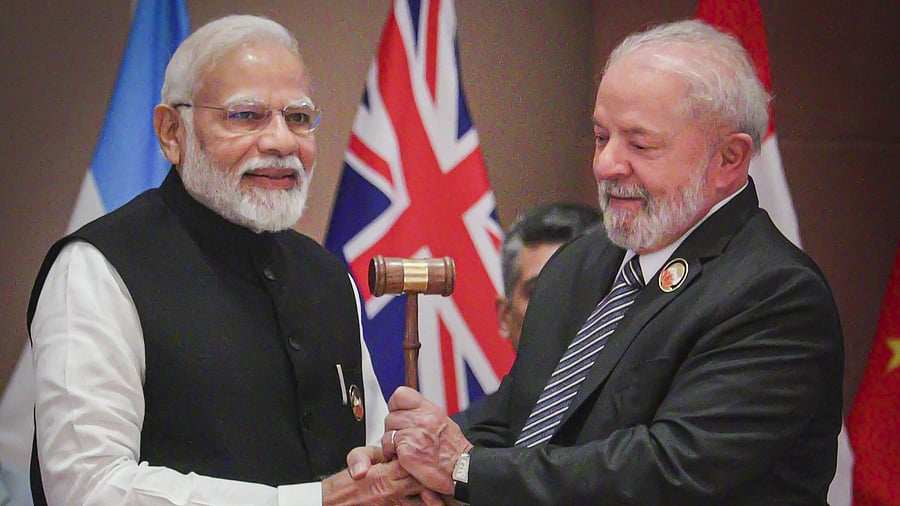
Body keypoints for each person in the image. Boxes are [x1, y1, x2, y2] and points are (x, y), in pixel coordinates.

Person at [369, 19, 845, 504]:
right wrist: (409, 457)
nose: (605, 165)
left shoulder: (776, 295)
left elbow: (668, 471)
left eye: (639, 144)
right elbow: (520, 412)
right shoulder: (583, 259)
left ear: (729, 159)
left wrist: (466, 469)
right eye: (601, 137)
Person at [28, 15, 435, 506]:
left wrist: (404, 473)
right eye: (246, 116)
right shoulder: (97, 270)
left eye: (299, 118)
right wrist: (310, 502)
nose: (282, 142)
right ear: (172, 132)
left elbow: (363, 462)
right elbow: (86, 488)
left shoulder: (328, 277)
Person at [451, 203, 601, 428]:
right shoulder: (461, 441)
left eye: (576, 287)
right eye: (538, 292)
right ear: (506, 316)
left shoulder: (646, 432)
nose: (559, 308)